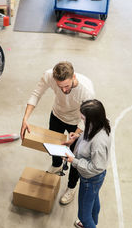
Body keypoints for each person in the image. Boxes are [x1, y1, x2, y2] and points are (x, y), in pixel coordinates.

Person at [20, 61, 95, 205]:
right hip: (57, 115)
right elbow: (36, 94)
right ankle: (56, 165)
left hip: (77, 121)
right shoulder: (49, 75)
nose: (64, 90)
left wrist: (77, 134)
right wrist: (25, 118)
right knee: (54, 146)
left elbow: (87, 117)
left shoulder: (87, 90)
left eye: (67, 86)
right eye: (60, 87)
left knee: (74, 157)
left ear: (73, 76)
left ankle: (71, 187)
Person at [65, 99, 111, 228]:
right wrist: (76, 137)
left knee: (84, 214)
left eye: (84, 119)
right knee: (93, 198)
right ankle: (91, 222)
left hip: (90, 178)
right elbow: (86, 134)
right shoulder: (98, 124)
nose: (82, 121)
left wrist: (74, 161)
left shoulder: (99, 142)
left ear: (93, 118)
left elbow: (96, 167)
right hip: (93, 181)